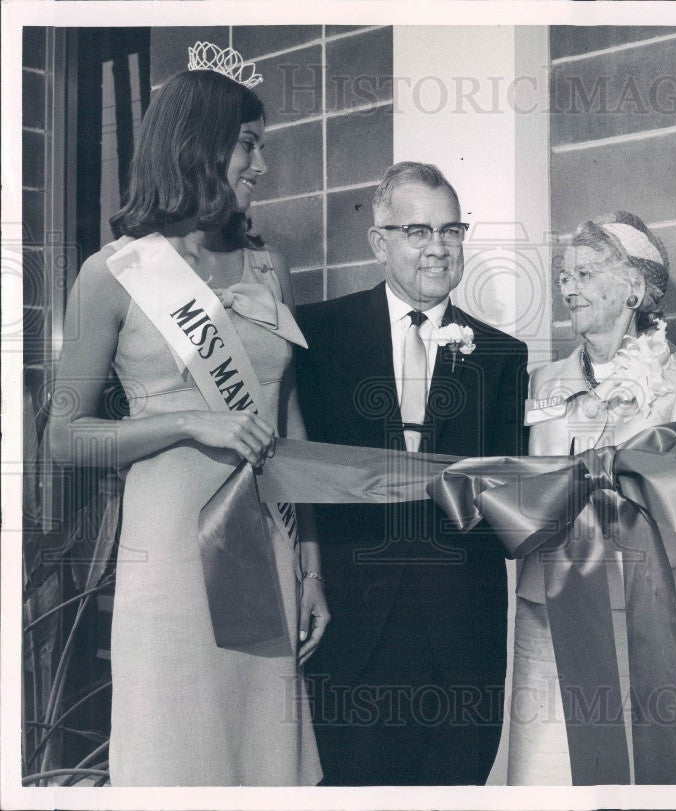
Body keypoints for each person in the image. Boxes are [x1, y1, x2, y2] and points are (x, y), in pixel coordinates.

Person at [48, 55, 326, 786]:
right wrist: (187, 423)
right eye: (247, 145)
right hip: (168, 551)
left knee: (261, 749)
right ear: (198, 146)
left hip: (266, 540)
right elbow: (65, 436)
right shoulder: (112, 274)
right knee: (180, 744)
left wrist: (313, 560)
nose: (261, 165)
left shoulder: (269, 266)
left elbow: (287, 416)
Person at [294, 162, 529, 785]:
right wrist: (309, 576)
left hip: (463, 635)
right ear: (378, 242)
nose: (438, 248)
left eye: (450, 230)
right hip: (352, 626)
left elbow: (504, 501)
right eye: (417, 231)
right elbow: (298, 473)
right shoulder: (318, 335)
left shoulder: (503, 355)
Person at [508, 212, 676, 785]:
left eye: (586, 272)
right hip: (549, 608)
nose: (568, 287)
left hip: (649, 605)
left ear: (634, 288)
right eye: (564, 274)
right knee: (547, 776)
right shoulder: (544, 382)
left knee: (652, 770)